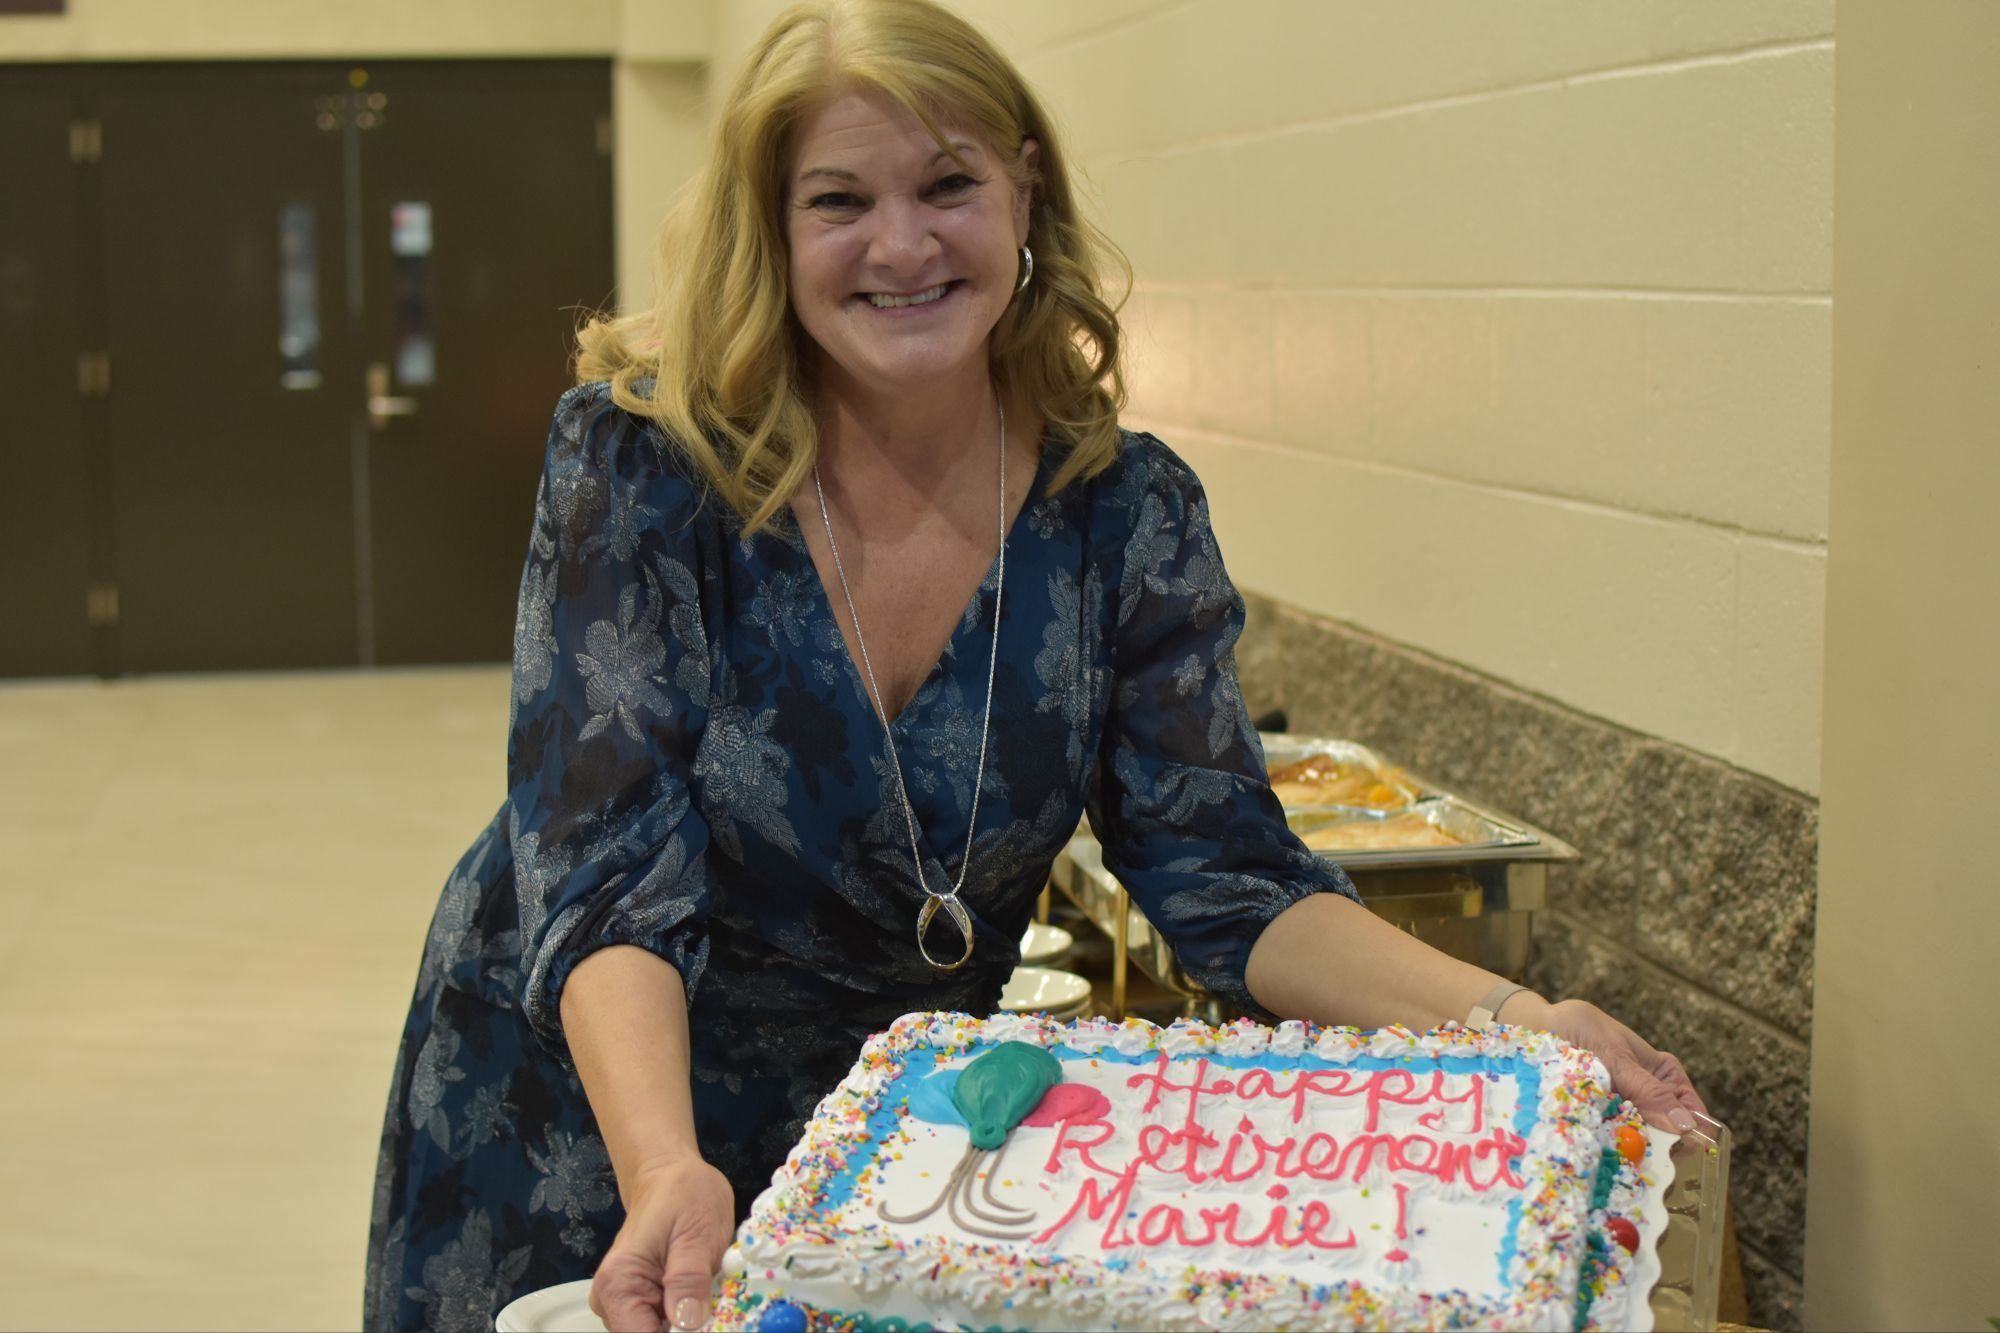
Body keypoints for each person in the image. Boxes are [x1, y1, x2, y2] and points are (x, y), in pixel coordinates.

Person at [364, 2, 1707, 1329]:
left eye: (948, 183)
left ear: (1026, 192)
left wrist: (1516, 1016)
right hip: (596, 1114)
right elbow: (603, 876)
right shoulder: (647, 467)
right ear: (771, 230)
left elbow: (1231, 879)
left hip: (893, 1153)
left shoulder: (1121, 512)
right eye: (838, 200)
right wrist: (666, 1164)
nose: (902, 244)